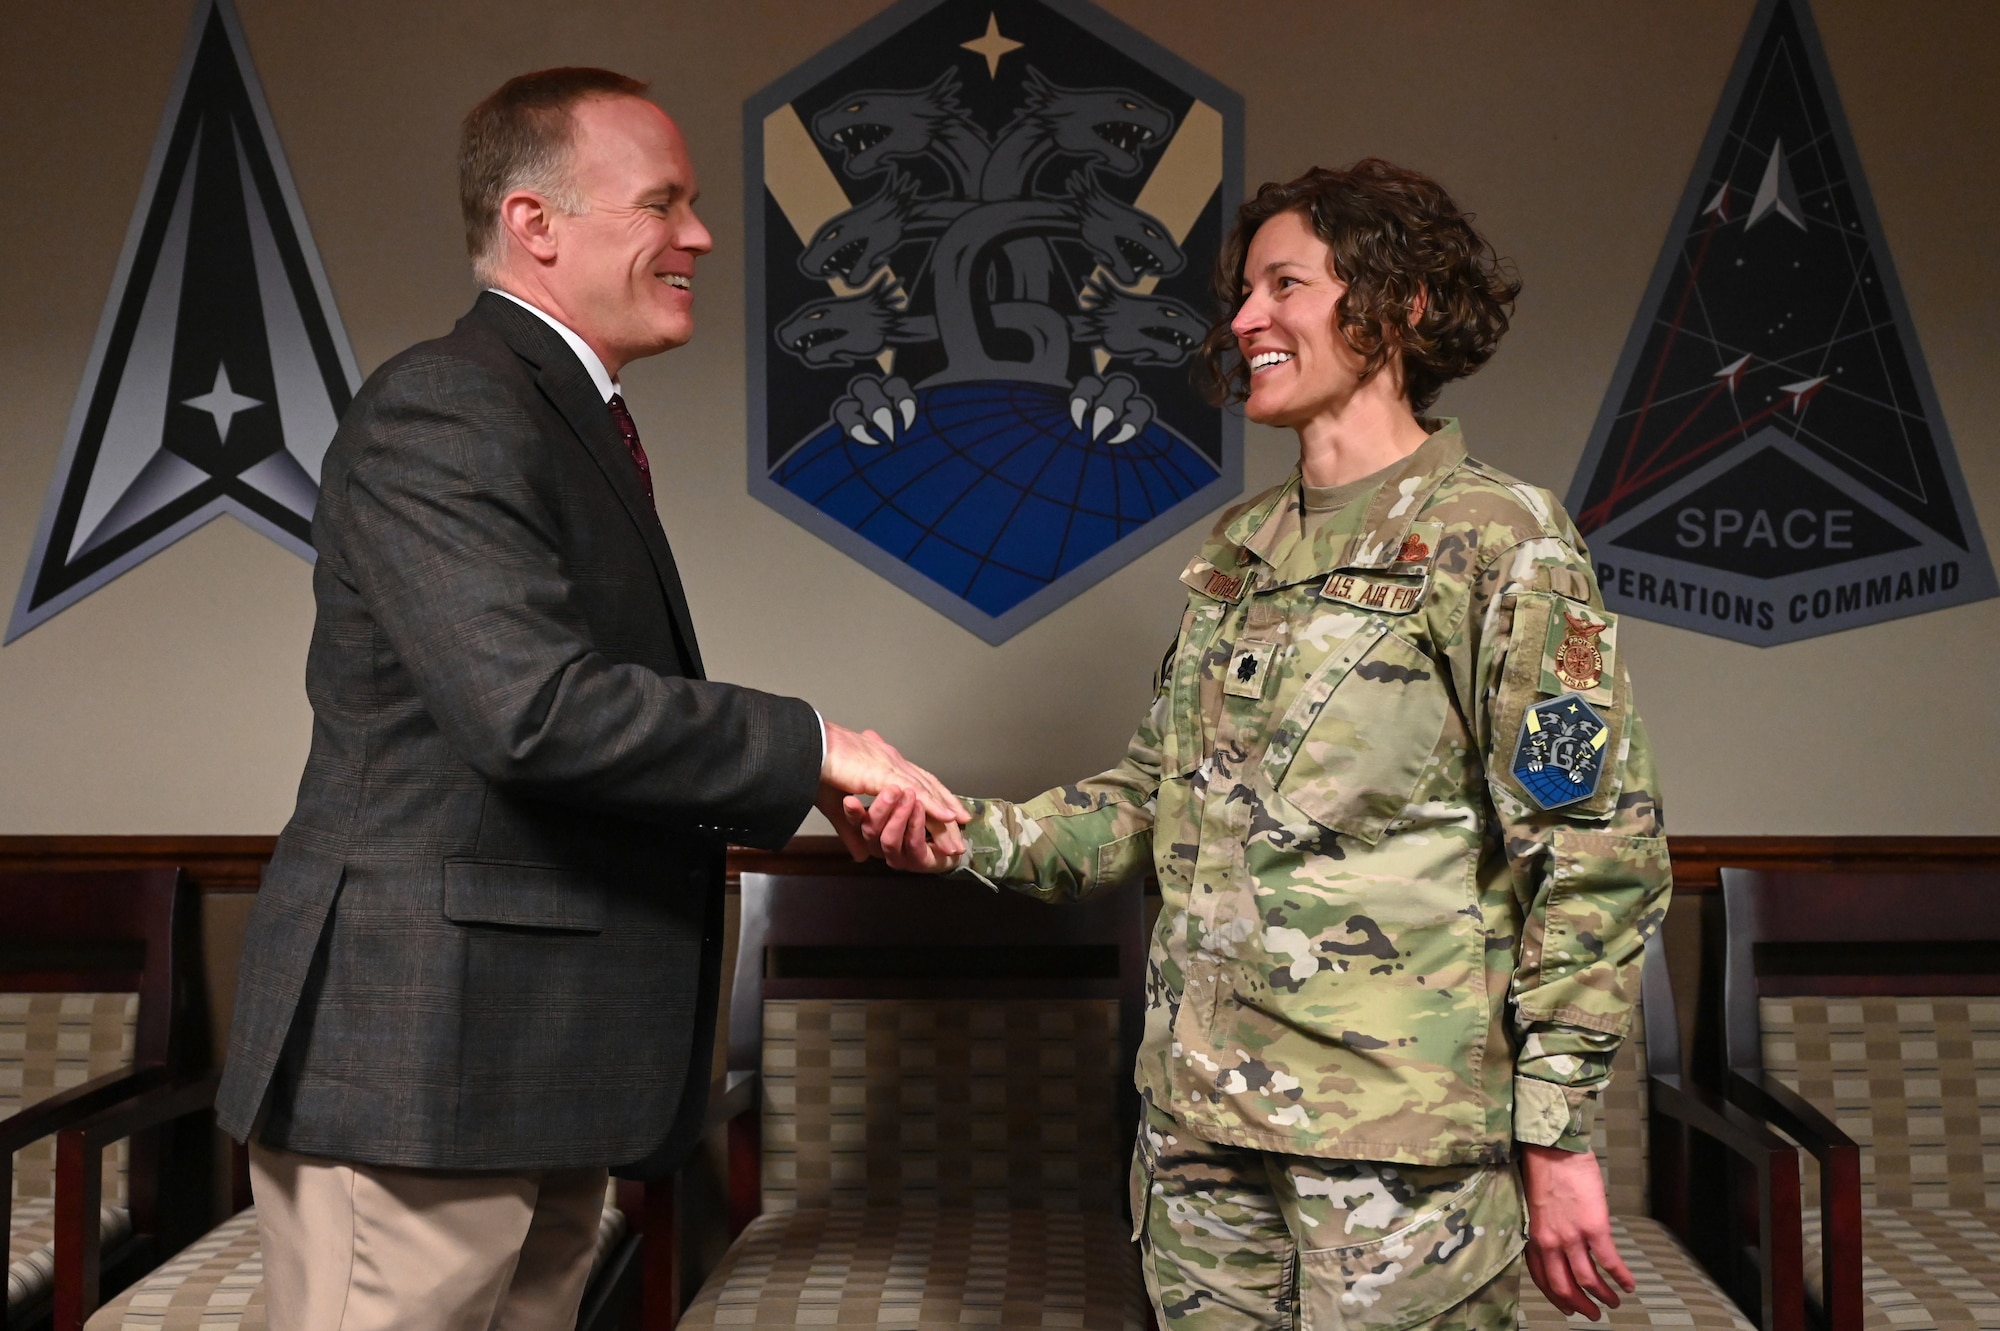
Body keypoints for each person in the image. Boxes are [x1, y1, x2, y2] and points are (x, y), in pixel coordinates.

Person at [853, 159, 1671, 1331]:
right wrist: (953, 829)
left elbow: (1594, 853)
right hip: (1198, 1135)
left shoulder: (1499, 539)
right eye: (1242, 291)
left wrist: (1554, 1133)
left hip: (1394, 1152)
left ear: (1400, 303)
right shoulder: (1239, 548)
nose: (1241, 320)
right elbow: (1146, 802)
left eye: (1282, 284)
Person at [214, 67, 966, 1331]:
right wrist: (815, 748)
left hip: (536, 1065)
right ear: (535, 224)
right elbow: (533, 709)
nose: (701, 237)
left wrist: (811, 778)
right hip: (422, 1064)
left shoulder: (556, 410)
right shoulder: (444, 404)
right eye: (662, 203)